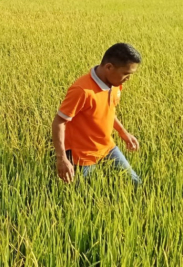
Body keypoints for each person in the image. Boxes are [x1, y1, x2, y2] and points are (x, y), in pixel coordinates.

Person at [52, 43, 142, 184]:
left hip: (107, 147)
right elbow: (59, 122)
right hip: (83, 155)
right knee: (86, 197)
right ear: (109, 67)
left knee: (135, 183)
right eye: (126, 73)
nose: (128, 78)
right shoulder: (82, 90)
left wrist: (123, 133)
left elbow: (108, 111)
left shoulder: (115, 84)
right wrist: (61, 158)